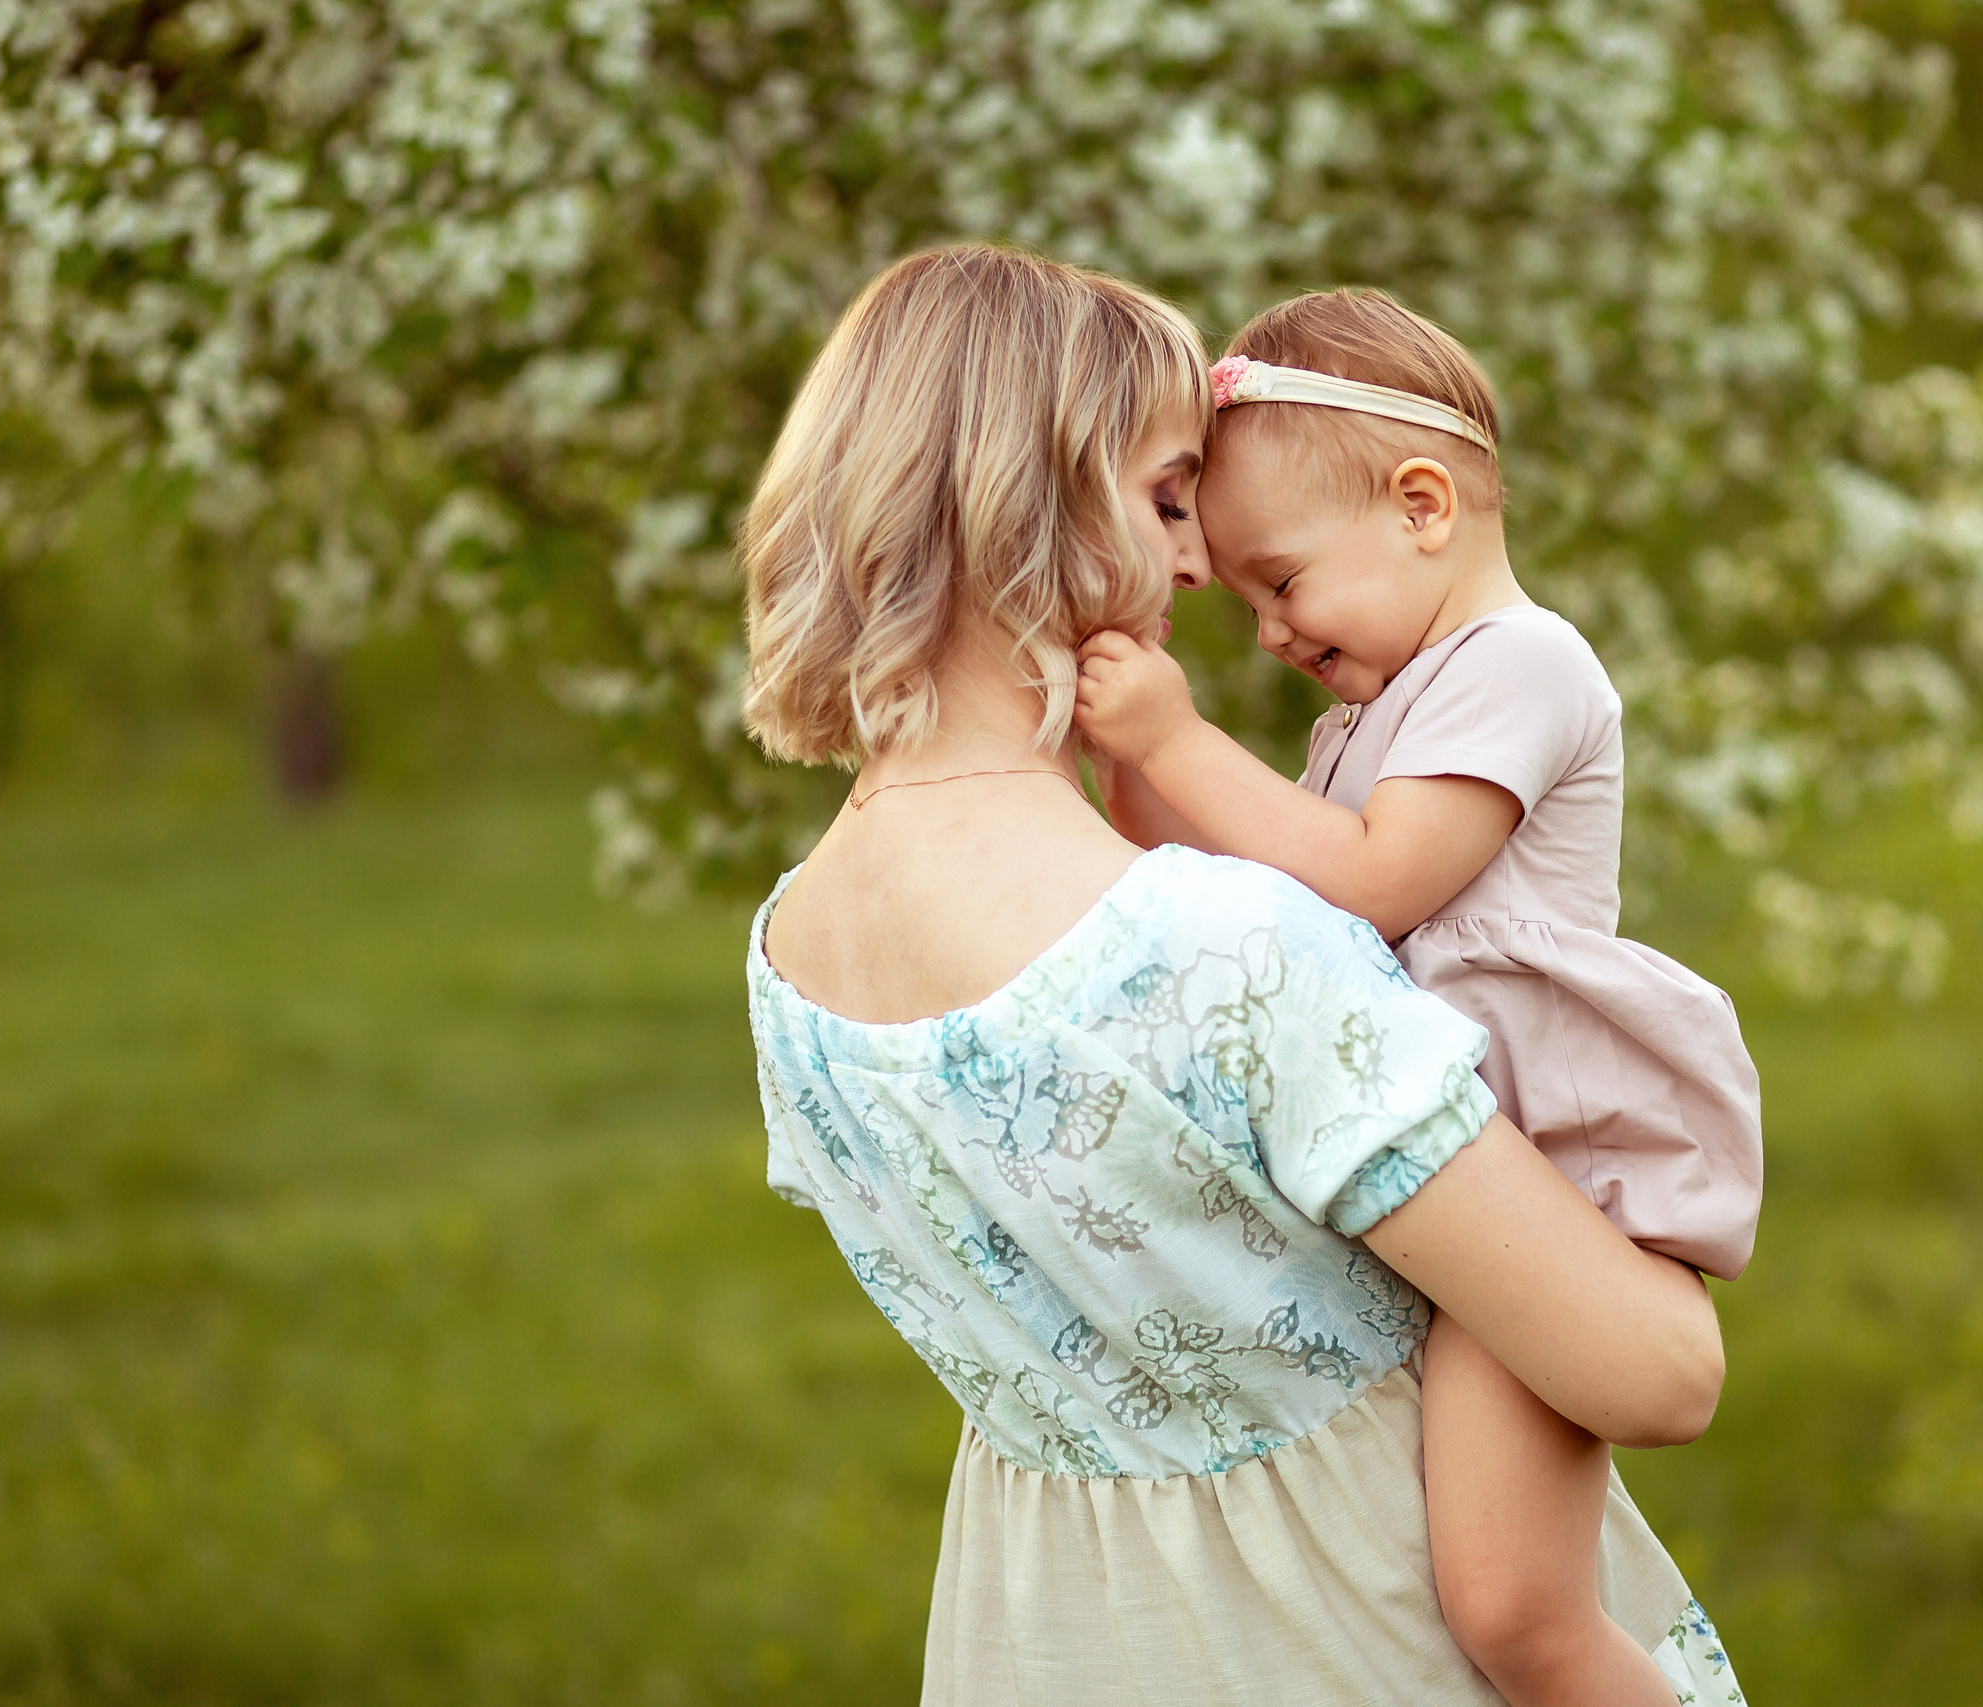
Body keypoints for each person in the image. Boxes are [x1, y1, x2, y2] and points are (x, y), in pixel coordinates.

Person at [740, 245, 1744, 1705]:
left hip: (1065, 1643)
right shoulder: (1223, 954)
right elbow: (1660, 1375)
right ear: (1025, 500)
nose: (1199, 563)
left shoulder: (788, 953)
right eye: (1164, 500)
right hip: (1351, 1634)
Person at [1072, 288, 1763, 1707]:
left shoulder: (1523, 664)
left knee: (1516, 1613)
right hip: (1448, 1158)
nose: (1267, 627)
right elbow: (1234, 895)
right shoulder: (1366, 719)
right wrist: (1133, 767)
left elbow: (1374, 887)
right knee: (1456, 1594)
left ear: (1425, 505)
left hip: (1554, 1174)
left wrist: (1181, 738)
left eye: (1283, 580)